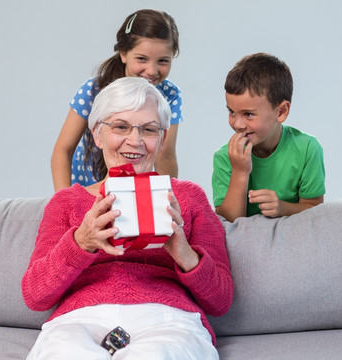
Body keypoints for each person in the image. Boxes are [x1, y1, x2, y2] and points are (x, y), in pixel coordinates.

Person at [23, 77, 233, 359]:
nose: (134, 141)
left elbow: (220, 301)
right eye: (120, 127)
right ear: (97, 135)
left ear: (162, 139)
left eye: (148, 130)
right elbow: (35, 295)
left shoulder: (188, 198)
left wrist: (184, 254)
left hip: (166, 318)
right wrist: (80, 242)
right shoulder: (66, 202)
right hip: (80, 320)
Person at [51, 9, 182, 191]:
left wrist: (165, 198)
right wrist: (64, 200)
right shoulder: (94, 90)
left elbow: (165, 156)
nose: (152, 70)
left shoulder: (169, 95)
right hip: (87, 187)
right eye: (142, 59)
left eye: (163, 61)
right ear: (123, 53)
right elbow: (63, 150)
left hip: (132, 189)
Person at [212, 52, 325, 222]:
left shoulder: (308, 149)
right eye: (232, 112)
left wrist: (282, 207)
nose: (237, 124)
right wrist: (240, 171)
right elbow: (227, 225)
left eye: (248, 114)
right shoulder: (225, 157)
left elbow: (315, 210)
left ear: (281, 112)